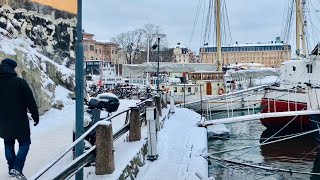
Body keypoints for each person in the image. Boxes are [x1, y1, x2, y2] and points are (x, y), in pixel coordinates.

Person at [0, 58, 39, 179]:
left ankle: (11, 168)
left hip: (3, 121)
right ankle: (17, 168)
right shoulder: (20, 82)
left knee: (8, 143)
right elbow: (30, 101)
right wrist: (35, 115)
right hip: (20, 120)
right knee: (25, 143)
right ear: (12, 68)